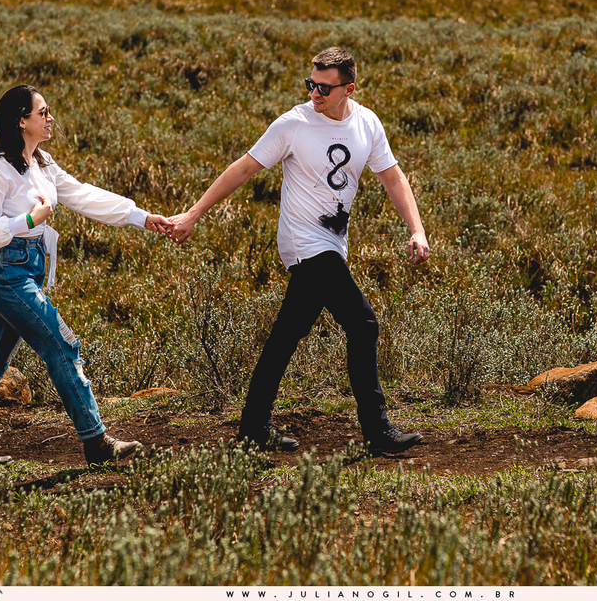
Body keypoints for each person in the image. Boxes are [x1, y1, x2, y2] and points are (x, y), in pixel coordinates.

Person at [168, 47, 428, 455]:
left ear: (349, 88)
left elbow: (393, 177)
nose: (315, 92)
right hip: (304, 243)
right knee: (363, 323)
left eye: (325, 87)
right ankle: (377, 432)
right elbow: (245, 167)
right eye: (311, 83)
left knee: (287, 334)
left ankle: (253, 426)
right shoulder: (293, 124)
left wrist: (417, 229)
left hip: (333, 244)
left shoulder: (367, 124)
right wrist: (194, 214)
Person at [0, 84, 172, 468]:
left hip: (23, 270)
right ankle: (96, 441)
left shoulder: (42, 164)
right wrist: (28, 221)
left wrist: (142, 217)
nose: (50, 118)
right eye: (43, 113)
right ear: (22, 121)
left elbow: (83, 195)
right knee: (61, 344)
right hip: (4, 270)